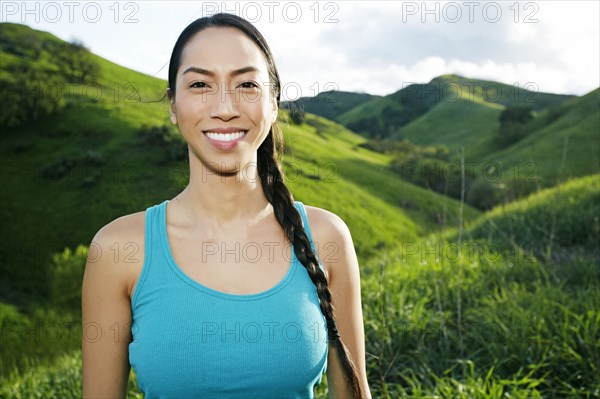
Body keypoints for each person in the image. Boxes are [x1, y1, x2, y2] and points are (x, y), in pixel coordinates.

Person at [82, 12, 371, 398]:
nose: (224, 107)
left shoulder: (326, 238)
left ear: (273, 103)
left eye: (247, 84)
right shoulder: (117, 249)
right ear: (172, 105)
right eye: (200, 84)